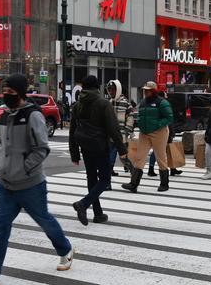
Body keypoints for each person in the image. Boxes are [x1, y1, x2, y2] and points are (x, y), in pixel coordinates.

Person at [0, 74, 73, 285]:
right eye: (4, 92)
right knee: (0, 227)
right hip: (5, 184)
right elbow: (3, 144)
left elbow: (42, 148)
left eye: (11, 93)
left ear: (21, 93)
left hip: (30, 184)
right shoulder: (5, 115)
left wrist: (24, 168)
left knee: (44, 220)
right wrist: (2, 167)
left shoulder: (33, 115)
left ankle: (65, 249)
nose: (6, 96)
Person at [70, 76, 129, 225]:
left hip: (85, 146)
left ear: (83, 87)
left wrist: (74, 153)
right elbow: (113, 129)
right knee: (104, 179)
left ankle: (98, 213)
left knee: (91, 179)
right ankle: (83, 204)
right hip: (100, 145)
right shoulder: (103, 103)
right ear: (97, 87)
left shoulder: (78, 105)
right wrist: (122, 149)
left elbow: (72, 130)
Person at [121, 81, 173, 193]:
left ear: (153, 91)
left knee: (161, 157)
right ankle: (133, 184)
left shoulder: (162, 102)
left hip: (159, 132)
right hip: (144, 132)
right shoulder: (143, 102)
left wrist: (158, 125)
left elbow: (169, 117)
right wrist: (138, 123)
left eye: (148, 90)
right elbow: (139, 115)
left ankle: (164, 183)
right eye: (145, 90)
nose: (145, 92)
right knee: (139, 157)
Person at [105, 80, 134, 178]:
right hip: (110, 135)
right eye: (109, 90)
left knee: (123, 157)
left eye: (113, 89)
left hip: (121, 135)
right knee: (112, 155)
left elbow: (131, 117)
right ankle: (109, 174)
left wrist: (127, 130)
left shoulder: (125, 103)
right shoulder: (109, 102)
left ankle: (133, 171)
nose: (111, 92)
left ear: (118, 89)